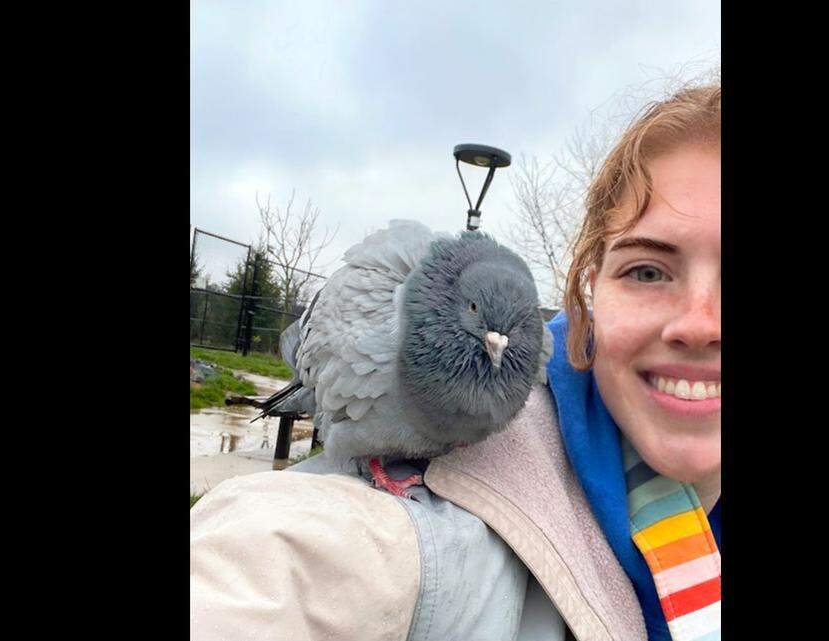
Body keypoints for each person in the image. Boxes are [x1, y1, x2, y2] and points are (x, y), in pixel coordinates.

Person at [190, 78, 721, 641]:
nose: (698, 324)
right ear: (590, 289)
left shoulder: (520, 354)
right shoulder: (443, 540)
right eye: (646, 271)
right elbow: (281, 566)